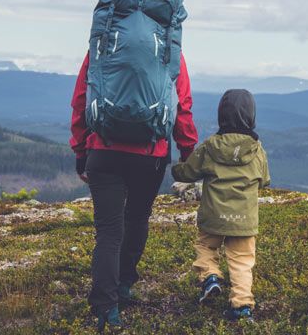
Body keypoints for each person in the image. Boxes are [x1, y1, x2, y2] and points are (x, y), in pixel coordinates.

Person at [69, 51, 198, 330]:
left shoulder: (102, 43)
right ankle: (124, 285)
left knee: (108, 231)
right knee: (138, 217)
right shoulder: (169, 46)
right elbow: (182, 104)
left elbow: (81, 99)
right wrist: (187, 149)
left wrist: (80, 150)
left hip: (103, 149)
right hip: (151, 153)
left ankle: (106, 306)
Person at [171, 89, 270, 322]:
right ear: (251, 115)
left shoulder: (210, 146)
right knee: (242, 262)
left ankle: (210, 277)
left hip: (213, 217)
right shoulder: (257, 150)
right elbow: (264, 180)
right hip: (244, 221)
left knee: (206, 247)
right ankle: (242, 306)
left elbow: (187, 172)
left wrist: (177, 167)